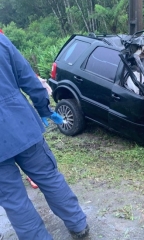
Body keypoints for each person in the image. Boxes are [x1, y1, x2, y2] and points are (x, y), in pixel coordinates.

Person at [0, 33, 89, 239]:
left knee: (14, 200)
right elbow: (29, 80)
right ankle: (78, 224)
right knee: (49, 177)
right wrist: (44, 109)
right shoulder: (2, 41)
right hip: (22, 125)